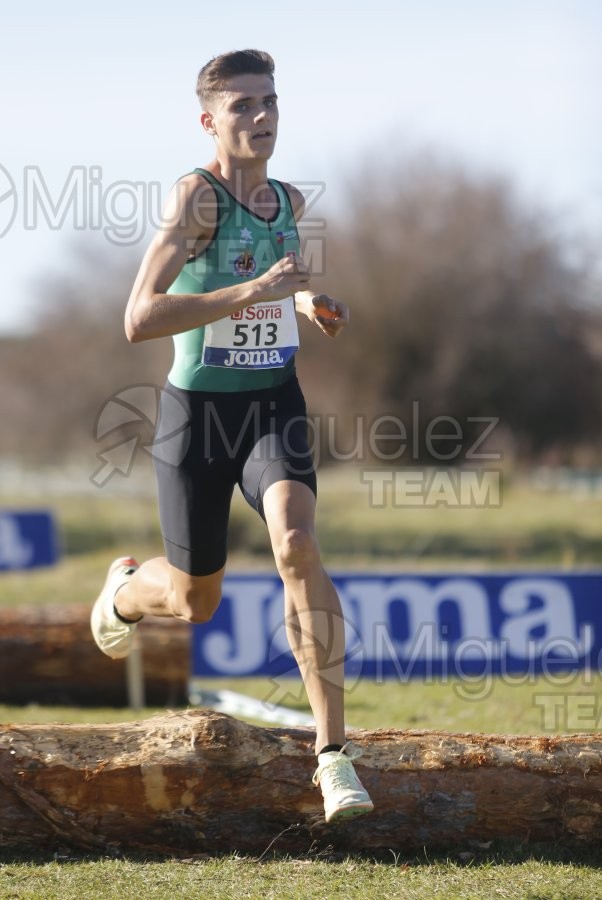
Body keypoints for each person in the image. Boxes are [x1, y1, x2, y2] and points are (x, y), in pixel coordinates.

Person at [91, 49, 373, 824]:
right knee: (195, 601)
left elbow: (284, 276)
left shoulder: (284, 196)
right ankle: (124, 591)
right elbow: (138, 318)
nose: (261, 116)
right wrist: (250, 292)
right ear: (209, 119)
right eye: (243, 104)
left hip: (272, 405)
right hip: (200, 419)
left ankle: (332, 757)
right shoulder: (197, 198)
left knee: (296, 543)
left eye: (270, 101)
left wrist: (311, 300)